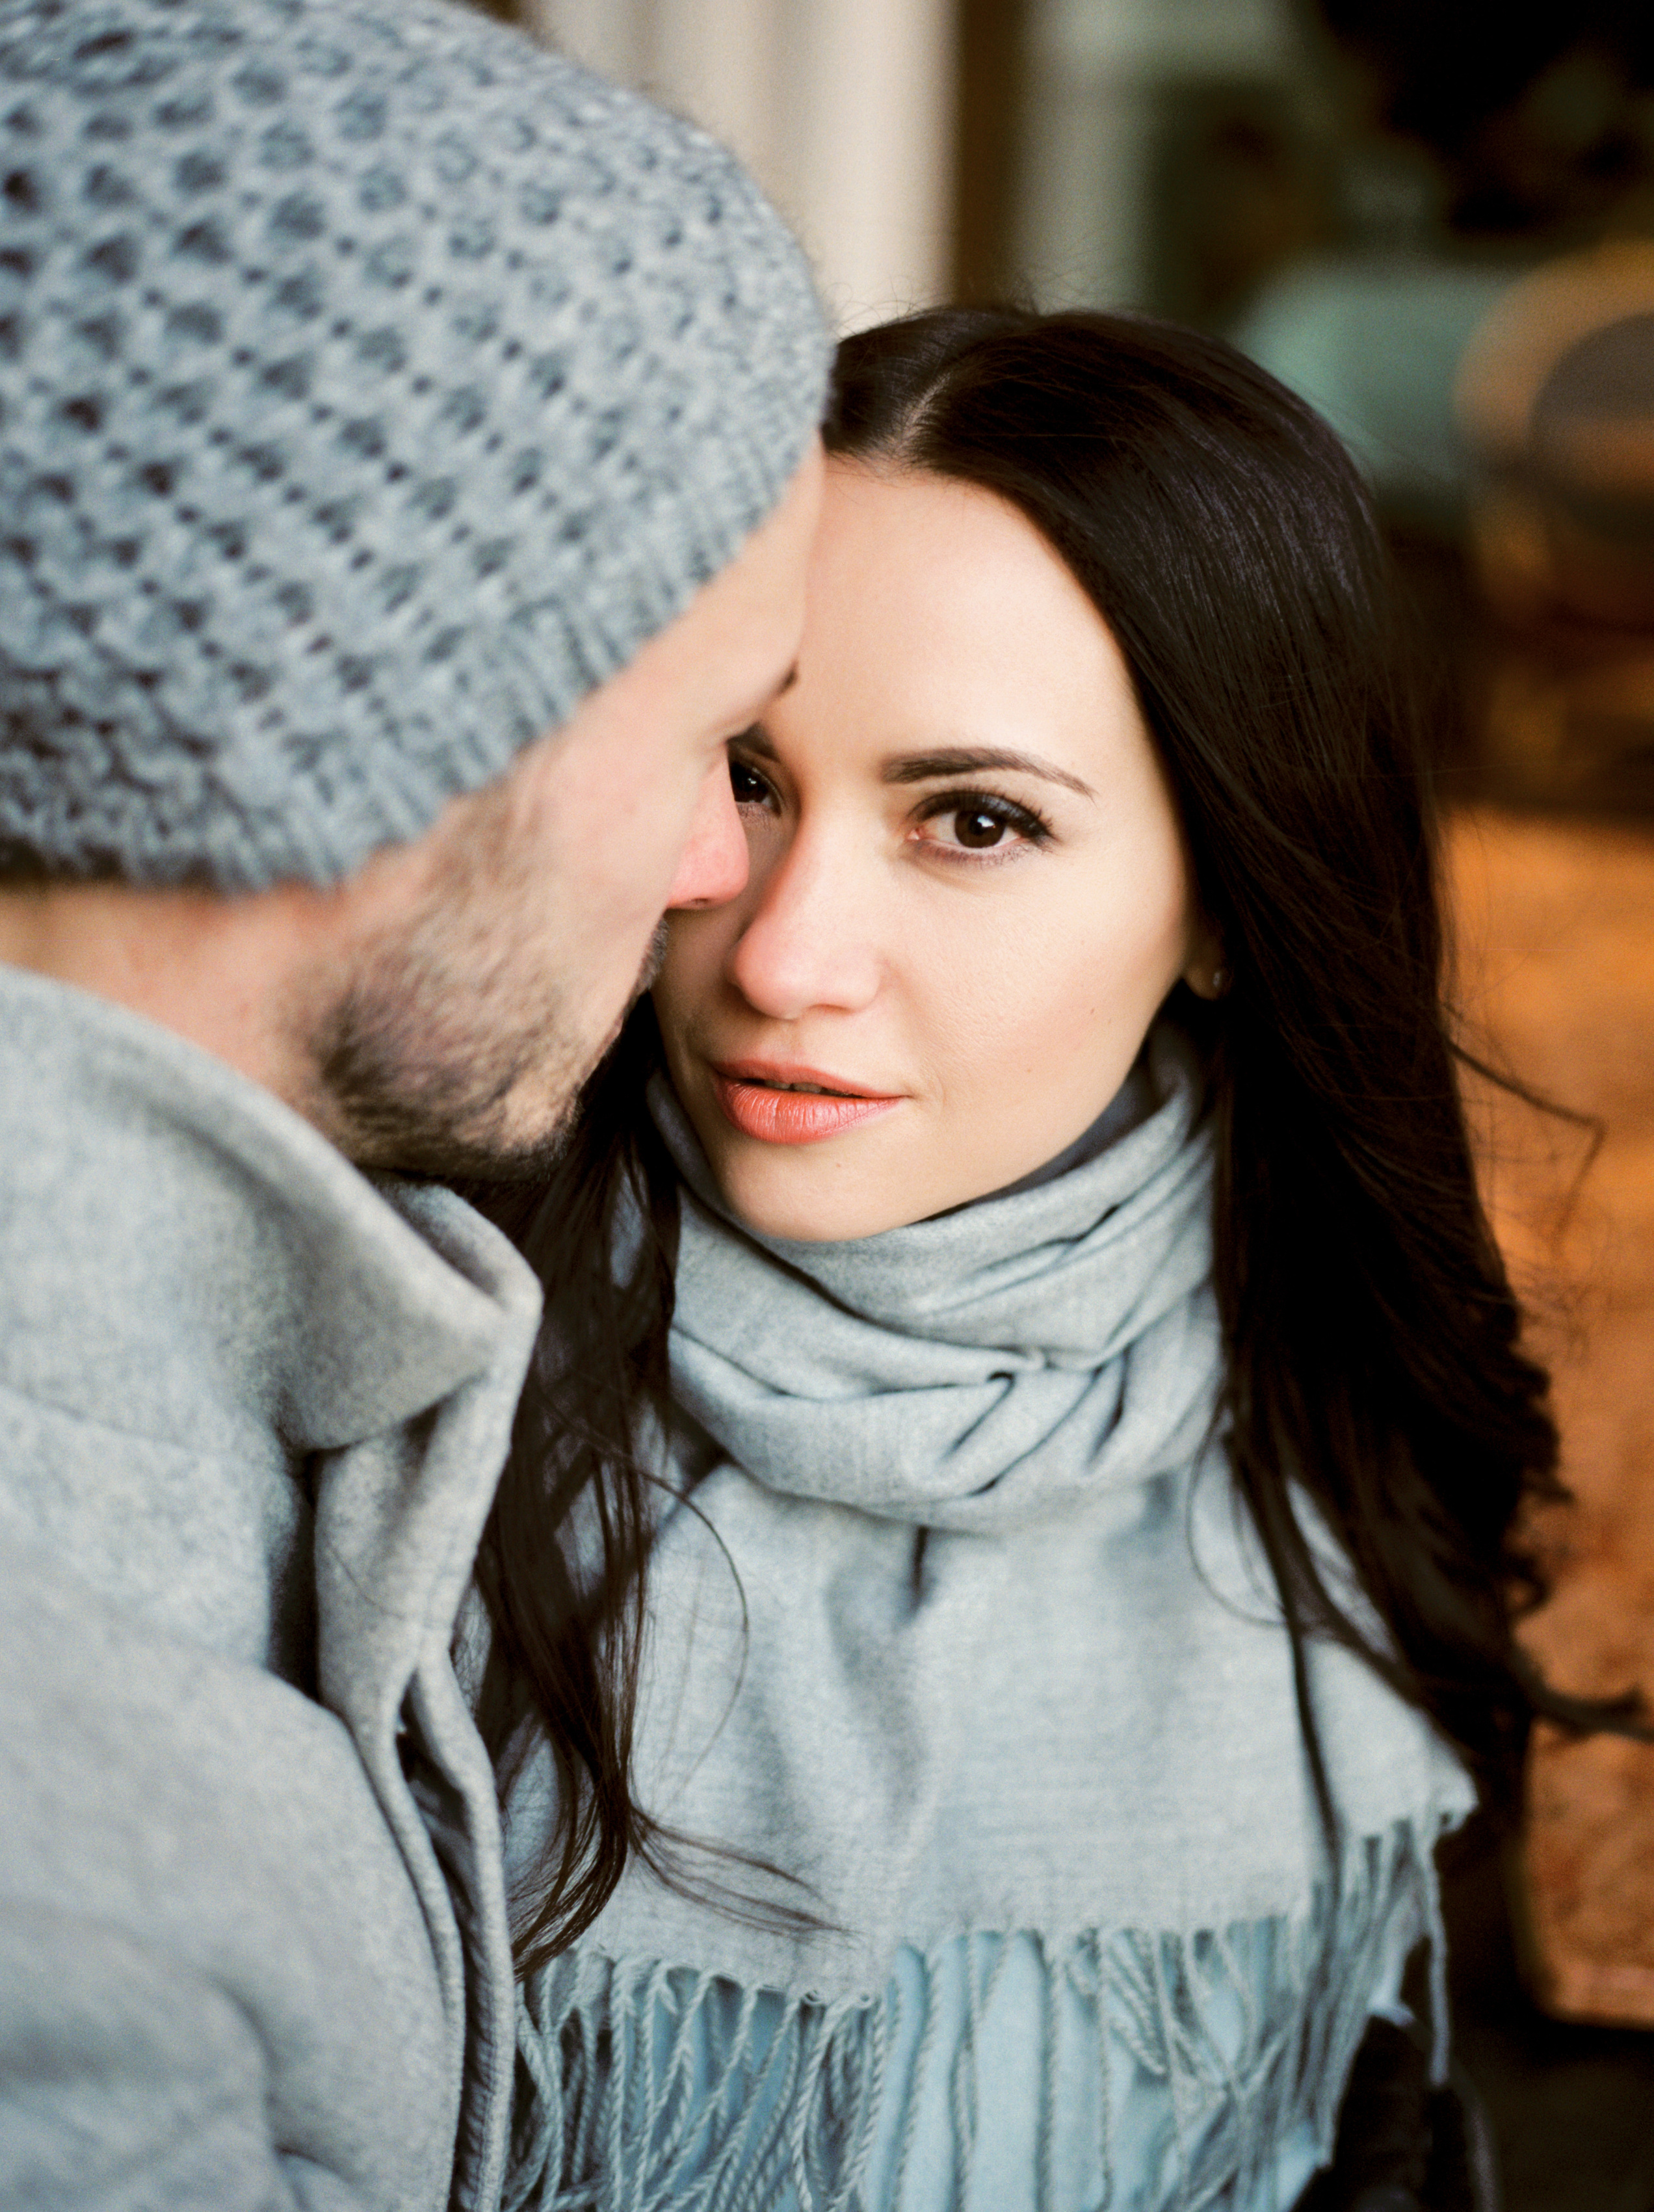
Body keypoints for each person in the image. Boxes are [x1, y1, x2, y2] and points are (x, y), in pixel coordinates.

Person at [482, 311, 1598, 2211]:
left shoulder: (1336, 1430)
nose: (780, 953)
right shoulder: (414, 1376)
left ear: (1232, 906)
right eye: (746, 776)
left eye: (974, 819)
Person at [0, 1, 830, 2205]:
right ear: (346, 715)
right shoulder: (47, 1895)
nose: (719, 877)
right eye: (710, 745)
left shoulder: (189, 1390)